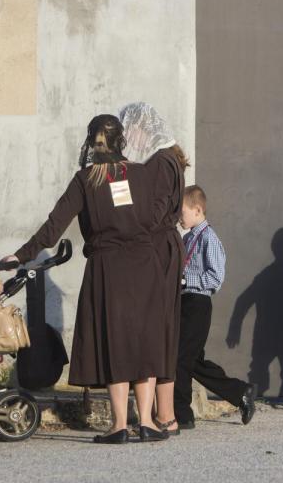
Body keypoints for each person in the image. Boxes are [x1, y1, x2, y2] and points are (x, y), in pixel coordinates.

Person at [4, 115, 169, 444]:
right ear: (121, 140)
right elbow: (158, 218)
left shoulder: (86, 179)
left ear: (90, 142)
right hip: (146, 267)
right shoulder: (142, 173)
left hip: (109, 268)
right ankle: (148, 422)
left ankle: (120, 425)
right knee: (144, 341)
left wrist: (21, 255)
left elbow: (55, 225)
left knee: (116, 343)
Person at [119, 102, 187, 435]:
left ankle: (166, 415)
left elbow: (155, 212)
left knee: (156, 328)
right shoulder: (161, 159)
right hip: (159, 246)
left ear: (142, 128)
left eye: (128, 129)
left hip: (157, 249)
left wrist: (124, 220)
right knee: (159, 327)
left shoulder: (160, 161)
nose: (126, 136)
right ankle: (164, 415)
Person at [175, 185, 256, 428]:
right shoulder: (187, 237)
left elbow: (216, 278)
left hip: (198, 304)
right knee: (192, 361)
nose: (179, 217)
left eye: (182, 212)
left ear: (198, 210)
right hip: (183, 302)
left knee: (179, 359)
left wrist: (184, 280)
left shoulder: (209, 238)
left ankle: (182, 415)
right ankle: (240, 392)